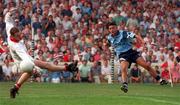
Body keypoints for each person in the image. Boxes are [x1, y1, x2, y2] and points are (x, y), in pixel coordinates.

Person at [5, 8, 78, 98]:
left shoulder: (10, 30)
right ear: (12, 36)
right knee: (31, 70)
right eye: (17, 36)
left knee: (46, 65)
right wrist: (35, 69)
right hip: (21, 62)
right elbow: (26, 59)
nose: (20, 36)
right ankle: (68, 68)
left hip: (26, 58)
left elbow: (7, 19)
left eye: (20, 34)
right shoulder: (16, 46)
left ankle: (69, 67)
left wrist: (10, 12)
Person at [106, 22, 167, 93]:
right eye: (110, 28)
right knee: (123, 68)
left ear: (116, 28)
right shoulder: (109, 38)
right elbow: (108, 44)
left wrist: (142, 41)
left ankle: (160, 80)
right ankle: (125, 85)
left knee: (146, 66)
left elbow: (135, 36)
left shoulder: (123, 33)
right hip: (122, 55)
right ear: (109, 30)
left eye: (113, 28)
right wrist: (109, 47)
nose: (112, 30)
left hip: (131, 52)